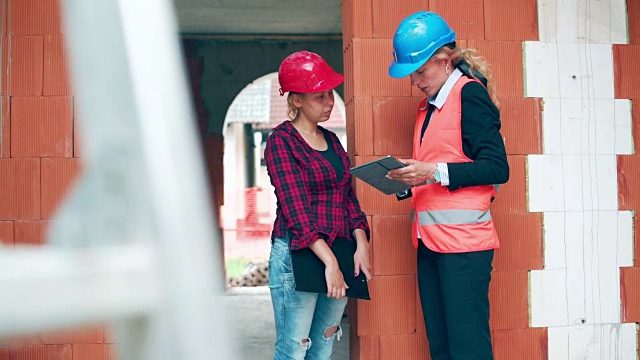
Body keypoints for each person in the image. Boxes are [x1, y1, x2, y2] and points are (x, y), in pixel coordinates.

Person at [385, 11, 509, 360]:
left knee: (467, 348)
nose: (415, 82)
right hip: (430, 244)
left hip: (465, 250)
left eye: (420, 72)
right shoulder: (428, 107)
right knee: (441, 347)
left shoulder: (469, 96)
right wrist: (407, 180)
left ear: (444, 60)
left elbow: (497, 167)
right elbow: (440, 166)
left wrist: (433, 172)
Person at [264, 50, 371, 360]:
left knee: (322, 347)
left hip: (338, 250)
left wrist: (360, 243)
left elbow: (347, 198)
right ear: (296, 100)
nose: (329, 102)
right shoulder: (281, 142)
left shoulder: (333, 141)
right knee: (294, 351)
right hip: (298, 255)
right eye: (319, 97)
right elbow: (297, 211)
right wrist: (331, 264)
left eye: (329, 95)